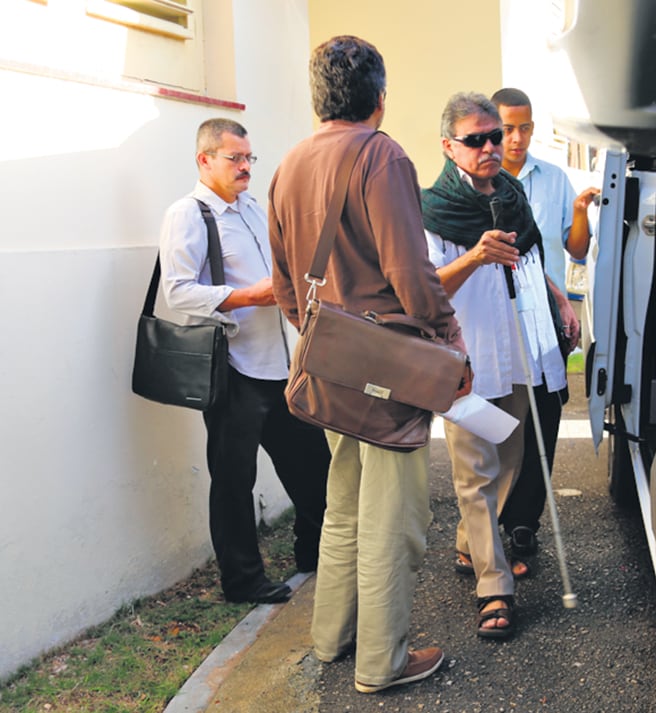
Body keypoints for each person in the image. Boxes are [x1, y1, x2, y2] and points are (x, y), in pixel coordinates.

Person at [268, 36, 469, 694]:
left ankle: (333, 636)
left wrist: (327, 335)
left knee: (345, 504)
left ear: (317, 96)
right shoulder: (380, 155)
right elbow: (411, 271)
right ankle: (382, 661)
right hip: (387, 370)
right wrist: (447, 337)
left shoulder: (289, 164)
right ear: (380, 97)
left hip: (330, 361)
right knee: (395, 518)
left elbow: (286, 287)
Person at [420, 92, 577, 639]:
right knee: (474, 472)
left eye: (494, 137)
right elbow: (424, 288)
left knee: (509, 462)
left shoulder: (510, 195)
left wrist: (559, 299)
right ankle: (494, 589)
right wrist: (474, 255)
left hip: (519, 350)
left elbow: (530, 257)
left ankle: (470, 544)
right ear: (449, 147)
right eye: (476, 140)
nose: (490, 147)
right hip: (467, 357)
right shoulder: (433, 209)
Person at [159, 118, 331, 605]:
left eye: (249, 157)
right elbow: (178, 292)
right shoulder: (189, 215)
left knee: (312, 464)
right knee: (235, 480)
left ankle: (313, 551)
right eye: (234, 158)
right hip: (234, 368)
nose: (245, 167)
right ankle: (242, 581)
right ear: (205, 160)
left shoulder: (255, 208)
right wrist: (249, 295)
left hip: (282, 364)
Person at [490, 88, 599, 567]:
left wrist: (578, 214)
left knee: (544, 421)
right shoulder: (478, 180)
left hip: (548, 322)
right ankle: (487, 523)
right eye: (507, 128)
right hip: (495, 321)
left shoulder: (552, 178)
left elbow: (575, 251)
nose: (516, 138)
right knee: (497, 422)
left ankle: (524, 524)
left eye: (525, 127)